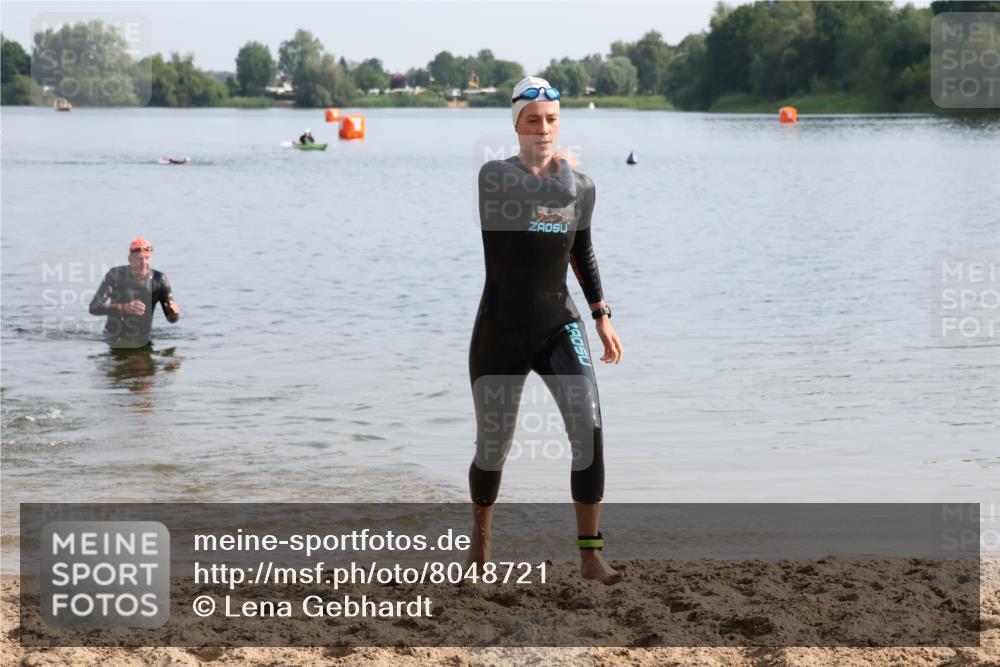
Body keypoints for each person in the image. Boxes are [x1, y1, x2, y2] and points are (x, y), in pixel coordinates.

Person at [468, 76, 625, 584]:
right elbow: (544, 198)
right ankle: (481, 551)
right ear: (516, 125)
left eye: (552, 120)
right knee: (494, 446)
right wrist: (561, 175)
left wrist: (601, 314)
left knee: (590, 430)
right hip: (501, 330)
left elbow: (582, 249)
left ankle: (589, 556)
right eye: (532, 120)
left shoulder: (582, 187)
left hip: (559, 323)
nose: (543, 128)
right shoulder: (495, 178)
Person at [88, 238, 180, 349]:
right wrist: (123, 308)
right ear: (130, 259)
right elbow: (93, 307)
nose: (144, 263)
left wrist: (173, 313)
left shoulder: (160, 280)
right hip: (115, 338)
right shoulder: (115, 276)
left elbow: (172, 320)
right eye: (139, 259)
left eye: (147, 258)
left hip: (143, 339)